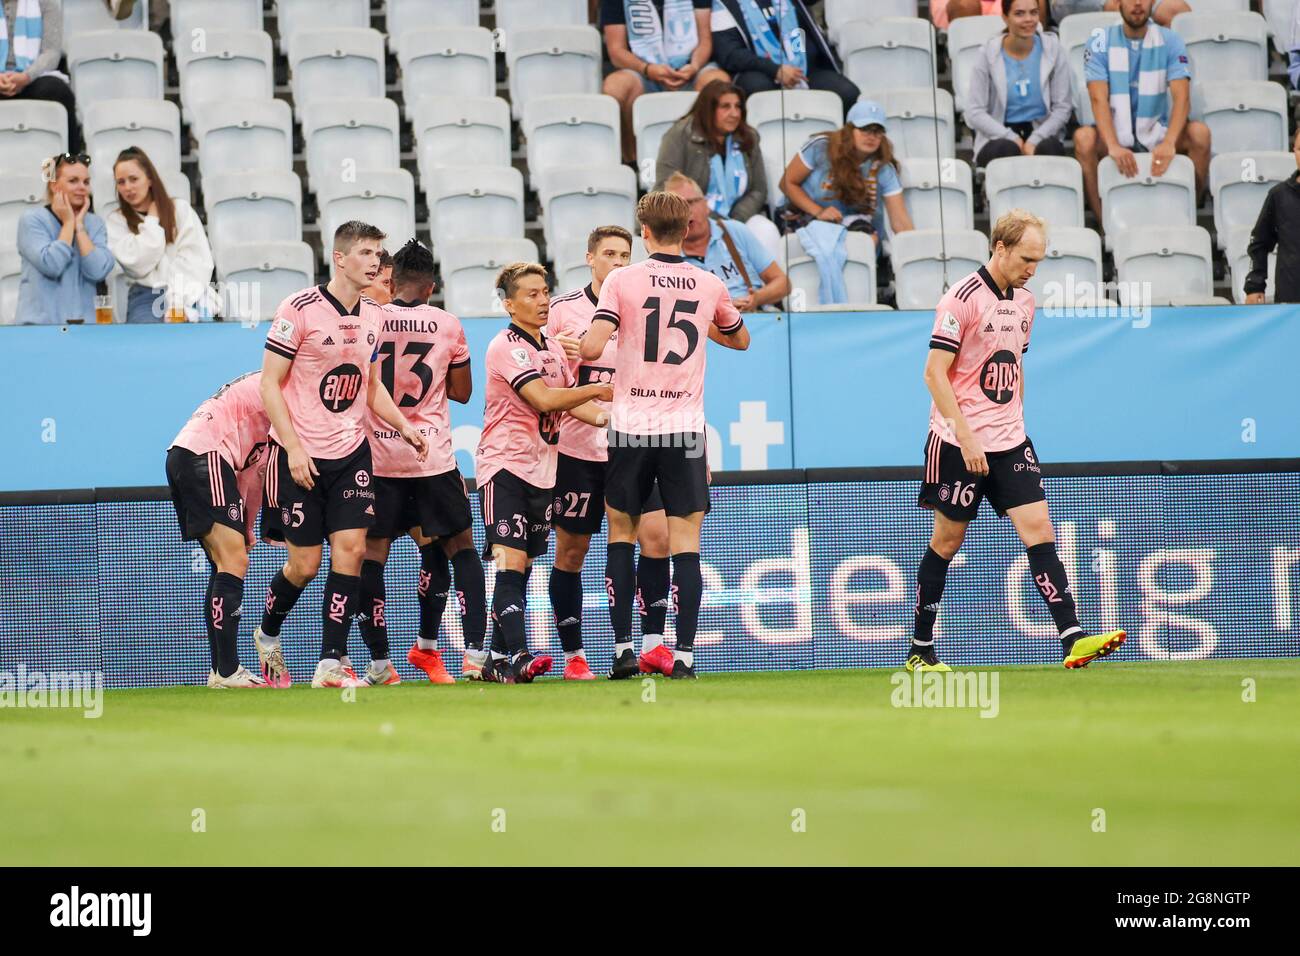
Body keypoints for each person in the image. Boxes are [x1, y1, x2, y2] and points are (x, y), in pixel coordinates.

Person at [911, 209, 1127, 673]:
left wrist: (1018, 423)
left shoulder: (1025, 303)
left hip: (1010, 440)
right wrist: (967, 436)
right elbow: (934, 373)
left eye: (1039, 261)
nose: (1033, 269)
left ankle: (1072, 637)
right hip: (956, 442)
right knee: (947, 542)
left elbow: (1014, 363)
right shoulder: (960, 299)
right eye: (1027, 258)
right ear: (1001, 248)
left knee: (1040, 531)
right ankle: (921, 649)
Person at [251, 221, 430, 690]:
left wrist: (405, 426)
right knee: (305, 565)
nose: (376, 261)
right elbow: (269, 383)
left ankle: (331, 661)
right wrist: (290, 447)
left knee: (350, 551)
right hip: (300, 454)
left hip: (351, 451)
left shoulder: (374, 315)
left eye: (379, 253)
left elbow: (370, 386)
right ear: (340, 258)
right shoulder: (299, 309)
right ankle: (267, 633)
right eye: (367, 253)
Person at [581, 191, 750, 679]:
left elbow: (594, 346)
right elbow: (740, 338)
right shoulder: (707, 282)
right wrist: (702, 322)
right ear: (687, 228)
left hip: (632, 426)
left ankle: (622, 651)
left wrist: (577, 344)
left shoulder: (621, 279)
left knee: (622, 535)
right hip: (685, 429)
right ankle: (684, 657)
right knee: (686, 543)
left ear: (645, 232)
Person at [546, 225, 677, 680]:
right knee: (572, 552)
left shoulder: (645, 307)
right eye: (609, 254)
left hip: (637, 445)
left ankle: (651, 645)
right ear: (590, 258)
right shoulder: (563, 312)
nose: (619, 263)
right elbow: (551, 386)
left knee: (657, 538)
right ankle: (573, 656)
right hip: (580, 451)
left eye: (625, 255)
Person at [356, 238, 488, 685]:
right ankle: (473, 656)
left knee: (371, 556)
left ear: (390, 280)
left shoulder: (369, 318)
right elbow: (462, 391)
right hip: (431, 458)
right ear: (432, 286)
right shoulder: (448, 324)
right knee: (460, 551)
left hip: (377, 460)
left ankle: (381, 664)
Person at [475, 263, 613, 683]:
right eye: (531, 294)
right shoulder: (506, 346)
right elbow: (544, 398)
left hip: (544, 471)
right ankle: (516, 656)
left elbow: (572, 405)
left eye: (545, 291)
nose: (542, 300)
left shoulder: (552, 347)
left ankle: (493, 659)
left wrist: (612, 419)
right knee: (510, 561)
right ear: (509, 303)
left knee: (526, 563)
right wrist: (594, 388)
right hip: (505, 466)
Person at [165, 372, 272, 688]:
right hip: (206, 455)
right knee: (233, 563)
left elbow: (252, 472)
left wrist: (246, 527)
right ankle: (227, 671)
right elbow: (263, 469)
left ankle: (220, 671)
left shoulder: (270, 381)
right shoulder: (282, 387)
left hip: (185, 456)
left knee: (224, 565)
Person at [1073, 0, 1210, 227]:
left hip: (1157, 127)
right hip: (1115, 130)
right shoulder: (1100, 41)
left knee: (1200, 134)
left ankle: (1187, 219)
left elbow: (1182, 98)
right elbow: (1098, 98)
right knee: (1083, 139)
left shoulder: (1170, 39)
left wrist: (1169, 142)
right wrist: (1113, 145)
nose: (1137, 4)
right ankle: (1105, 227)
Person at [653, 79, 781, 262]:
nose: (734, 113)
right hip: (691, 220)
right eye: (726, 107)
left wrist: (736, 220)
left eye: (738, 107)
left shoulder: (748, 137)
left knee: (766, 230)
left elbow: (758, 189)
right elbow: (666, 188)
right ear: (709, 109)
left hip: (738, 218)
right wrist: (708, 220)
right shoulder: (679, 135)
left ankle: (767, 288)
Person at [601, 0, 728, 163]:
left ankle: (713, 160)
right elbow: (616, 51)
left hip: (691, 68)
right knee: (614, 87)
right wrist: (647, 69)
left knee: (719, 83)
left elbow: (705, 40)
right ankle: (632, 161)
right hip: (643, 71)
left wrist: (694, 66)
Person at [778, 101, 913, 247]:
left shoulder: (884, 168)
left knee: (867, 240)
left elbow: (900, 222)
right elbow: (786, 182)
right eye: (864, 129)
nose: (871, 136)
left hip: (854, 225)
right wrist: (819, 212)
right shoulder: (821, 147)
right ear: (849, 130)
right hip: (805, 214)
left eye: (877, 130)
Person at [106, 146, 218, 322]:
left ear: (150, 179)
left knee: (198, 340)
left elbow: (196, 258)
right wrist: (152, 220)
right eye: (121, 182)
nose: (128, 187)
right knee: (146, 342)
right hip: (145, 296)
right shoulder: (116, 221)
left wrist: (178, 300)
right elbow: (138, 263)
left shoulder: (179, 209)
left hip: (187, 291)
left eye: (133, 179)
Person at [966, 0, 1074, 168]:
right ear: (1005, 18)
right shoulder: (987, 54)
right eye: (1019, 14)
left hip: (1041, 130)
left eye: (1033, 12)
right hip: (998, 134)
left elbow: (1063, 108)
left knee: (1050, 148)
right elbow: (975, 112)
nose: (1028, 19)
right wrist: (1012, 138)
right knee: (1006, 150)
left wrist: (1035, 139)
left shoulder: (1054, 50)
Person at [709, 0, 859, 116]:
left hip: (800, 69)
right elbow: (730, 54)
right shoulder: (724, 4)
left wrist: (796, 62)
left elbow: (798, 31)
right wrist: (775, 69)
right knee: (759, 90)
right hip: (758, 70)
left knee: (847, 93)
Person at [15, 152, 114, 325]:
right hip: (39, 330)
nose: (82, 187)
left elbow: (98, 271)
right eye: (73, 181)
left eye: (86, 182)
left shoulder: (94, 223)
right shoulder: (31, 220)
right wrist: (69, 224)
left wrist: (80, 228)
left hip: (85, 330)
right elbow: (52, 265)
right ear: (54, 185)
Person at [666, 171, 789, 310]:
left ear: (706, 205)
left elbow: (783, 283)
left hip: (753, 317)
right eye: (675, 207)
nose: (685, 212)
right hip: (707, 328)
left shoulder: (734, 231)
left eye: (690, 203)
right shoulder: (668, 255)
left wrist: (757, 298)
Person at [0, 0, 81, 153]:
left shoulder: (46, 4)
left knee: (59, 92)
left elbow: (51, 53)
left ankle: (70, 166)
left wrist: (26, 76)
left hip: (32, 78)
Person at [1244, 128, 1300, 305]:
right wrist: (1255, 285)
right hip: (1290, 301)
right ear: (1294, 152)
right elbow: (1259, 243)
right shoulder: (1279, 196)